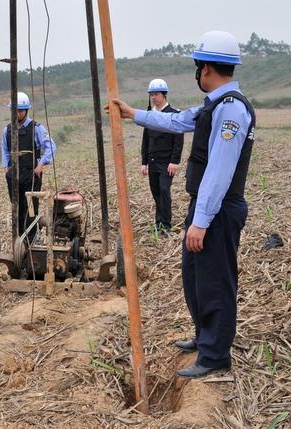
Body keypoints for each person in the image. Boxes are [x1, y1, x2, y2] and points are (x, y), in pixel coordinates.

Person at [108, 31, 255, 378]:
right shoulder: (213, 105)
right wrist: (134, 114)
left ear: (204, 68)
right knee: (195, 276)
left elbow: (219, 172)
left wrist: (201, 221)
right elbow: (176, 120)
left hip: (218, 209)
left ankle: (216, 355)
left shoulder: (231, 110)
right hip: (204, 207)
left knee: (215, 281)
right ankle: (204, 337)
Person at [2, 91, 56, 242]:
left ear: (26, 110)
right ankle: (18, 240)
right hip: (14, 175)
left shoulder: (36, 128)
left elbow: (51, 146)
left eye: (20, 111)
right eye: (15, 111)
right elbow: (5, 151)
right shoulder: (7, 130)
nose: (17, 114)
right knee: (16, 208)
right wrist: (7, 169)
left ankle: (31, 240)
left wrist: (41, 164)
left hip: (31, 174)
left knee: (30, 208)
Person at [140, 78, 184, 235]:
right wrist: (144, 162)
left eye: (156, 94)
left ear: (164, 95)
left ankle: (166, 224)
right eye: (151, 94)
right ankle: (158, 222)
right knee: (156, 191)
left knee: (164, 190)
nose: (153, 97)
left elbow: (178, 140)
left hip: (167, 163)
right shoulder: (149, 115)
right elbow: (146, 140)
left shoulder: (174, 114)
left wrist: (174, 161)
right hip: (152, 161)